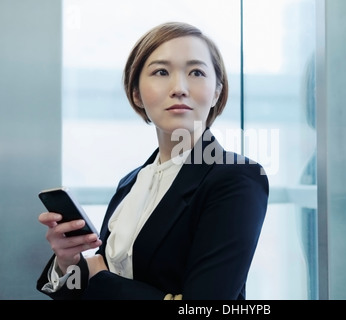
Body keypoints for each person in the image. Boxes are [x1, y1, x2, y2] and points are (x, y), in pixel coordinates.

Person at [36, 21, 269, 300]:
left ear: (217, 91)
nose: (179, 88)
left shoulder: (237, 177)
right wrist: (68, 264)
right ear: (136, 93)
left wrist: (99, 277)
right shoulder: (132, 182)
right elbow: (80, 293)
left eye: (196, 72)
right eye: (161, 72)